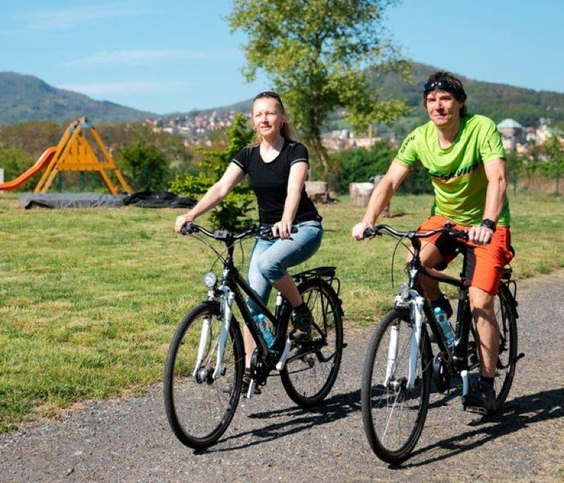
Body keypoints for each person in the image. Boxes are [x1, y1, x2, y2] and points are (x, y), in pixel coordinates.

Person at [351, 71, 514, 413]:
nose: (438, 106)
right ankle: (439, 307)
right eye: (431, 100)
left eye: (445, 99)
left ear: (459, 102)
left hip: (487, 224)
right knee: (415, 265)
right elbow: (390, 181)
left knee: (481, 300)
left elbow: (497, 178)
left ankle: (485, 384)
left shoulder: (480, 128)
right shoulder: (419, 138)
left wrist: (487, 222)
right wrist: (369, 220)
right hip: (445, 219)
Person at [174, 91, 324, 394]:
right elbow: (221, 188)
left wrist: (286, 218)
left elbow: (295, 188)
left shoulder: (296, 150)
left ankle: (301, 311)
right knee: (253, 303)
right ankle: (249, 368)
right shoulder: (248, 155)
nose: (264, 118)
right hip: (269, 233)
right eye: (259, 114)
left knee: (269, 264)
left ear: (282, 119)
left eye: (270, 113)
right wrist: (190, 214)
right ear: (253, 121)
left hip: (304, 227)